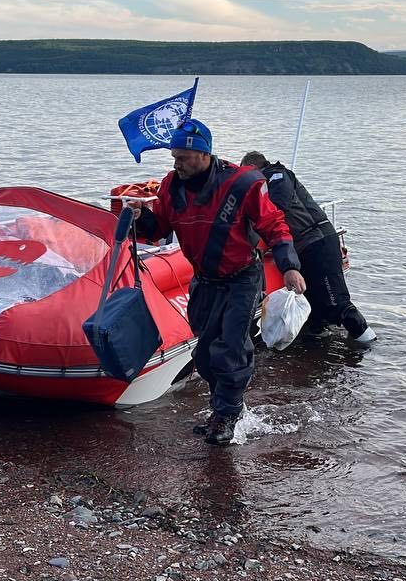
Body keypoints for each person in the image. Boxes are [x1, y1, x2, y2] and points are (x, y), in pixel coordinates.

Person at [129, 120, 306, 446]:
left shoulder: (242, 184)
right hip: (204, 280)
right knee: (206, 354)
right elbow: (160, 227)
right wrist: (143, 218)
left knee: (232, 347)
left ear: (202, 154)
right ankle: (222, 409)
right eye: (174, 156)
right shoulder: (172, 186)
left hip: (241, 277)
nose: (175, 163)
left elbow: (274, 225)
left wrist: (290, 267)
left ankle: (227, 414)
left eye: (182, 157)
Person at [240, 151, 376, 344]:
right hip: (306, 245)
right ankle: (321, 344)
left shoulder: (275, 176)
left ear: (252, 167)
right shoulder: (269, 180)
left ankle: (369, 343)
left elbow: (277, 207)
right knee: (316, 309)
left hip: (317, 242)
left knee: (337, 303)